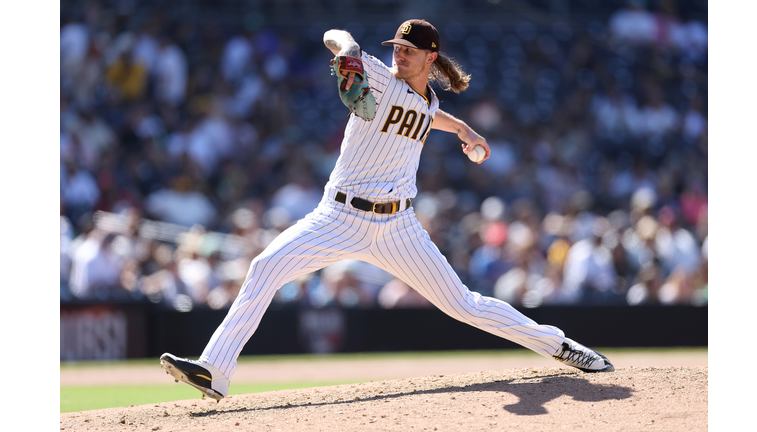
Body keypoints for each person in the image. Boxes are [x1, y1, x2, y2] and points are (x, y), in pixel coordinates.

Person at [160, 19, 614, 402]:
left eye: (410, 50)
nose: (400, 55)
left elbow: (428, 114)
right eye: (397, 47)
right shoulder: (376, 75)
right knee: (265, 266)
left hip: (398, 225)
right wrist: (349, 51)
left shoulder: (429, 100)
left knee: (464, 305)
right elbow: (335, 36)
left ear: (430, 58)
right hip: (338, 217)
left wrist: (465, 130)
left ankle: (560, 346)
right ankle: (214, 371)